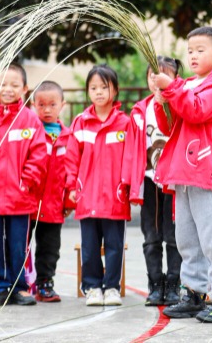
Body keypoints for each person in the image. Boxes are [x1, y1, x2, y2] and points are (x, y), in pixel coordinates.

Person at [152, 26, 212, 323]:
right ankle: (193, 291)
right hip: (184, 173)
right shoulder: (188, 84)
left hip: (207, 171)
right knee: (187, 239)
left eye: (200, 50)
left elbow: (196, 111)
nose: (192, 55)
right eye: (190, 50)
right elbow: (170, 127)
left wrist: (173, 89)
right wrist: (161, 101)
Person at [0, 63, 47, 307]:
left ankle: (19, 287)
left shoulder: (30, 121)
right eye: (3, 84)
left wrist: (27, 182)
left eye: (14, 85)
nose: (8, 89)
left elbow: (39, 154)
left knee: (18, 244)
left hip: (19, 196)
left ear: (24, 89)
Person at [65, 64, 131, 307]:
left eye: (104, 87)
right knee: (90, 247)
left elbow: (130, 158)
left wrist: (128, 187)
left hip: (115, 196)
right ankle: (92, 287)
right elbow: (71, 158)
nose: (99, 92)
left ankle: (112, 287)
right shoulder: (81, 123)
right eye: (93, 87)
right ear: (88, 91)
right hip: (87, 195)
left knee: (114, 246)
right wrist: (72, 185)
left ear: (115, 90)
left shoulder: (125, 123)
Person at [123, 56, 183, 306]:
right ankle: (155, 284)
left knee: (174, 237)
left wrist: (167, 103)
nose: (157, 81)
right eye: (153, 76)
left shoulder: (180, 106)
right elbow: (130, 148)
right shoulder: (139, 110)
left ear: (175, 80)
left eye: (165, 76)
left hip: (173, 182)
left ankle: (173, 285)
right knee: (151, 236)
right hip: (149, 180)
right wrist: (129, 181)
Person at [29, 80, 72, 302]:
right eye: (41, 104)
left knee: (50, 248)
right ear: (33, 105)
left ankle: (45, 284)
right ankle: (19, 283)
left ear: (62, 105)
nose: (47, 110)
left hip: (54, 204)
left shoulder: (69, 137)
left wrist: (69, 202)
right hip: (27, 204)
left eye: (52, 104)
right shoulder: (30, 132)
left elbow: (73, 171)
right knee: (19, 245)